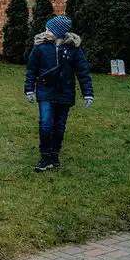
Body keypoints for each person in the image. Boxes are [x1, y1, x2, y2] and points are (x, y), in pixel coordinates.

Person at [25, 15, 93, 172]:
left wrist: (88, 93)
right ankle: (45, 158)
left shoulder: (73, 48)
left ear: (58, 32)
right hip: (45, 91)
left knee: (59, 126)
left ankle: (54, 156)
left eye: (49, 29)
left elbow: (83, 72)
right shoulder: (40, 47)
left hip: (65, 92)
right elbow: (31, 69)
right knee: (45, 124)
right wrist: (29, 89)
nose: (46, 31)